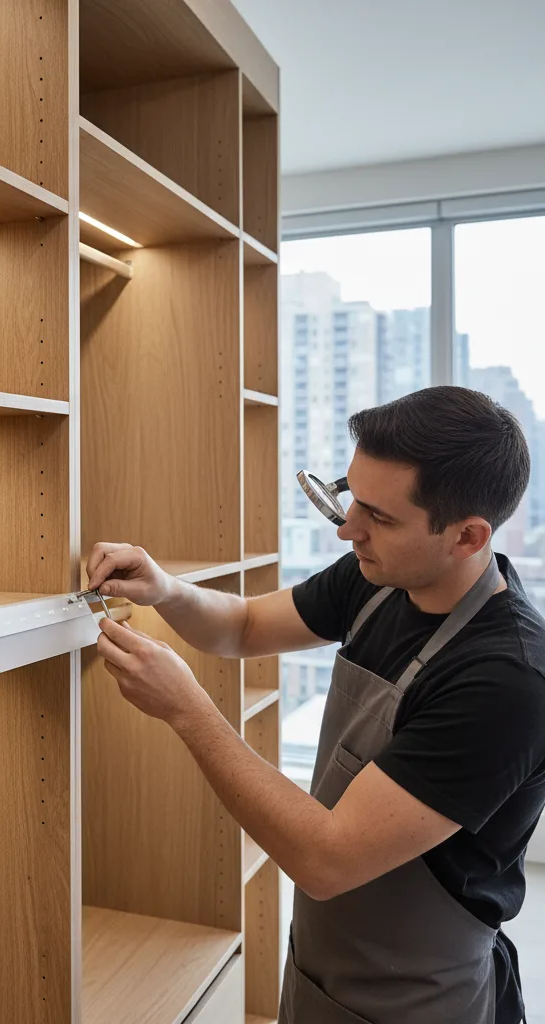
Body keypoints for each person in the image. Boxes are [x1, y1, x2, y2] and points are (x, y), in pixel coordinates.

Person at [86, 387, 545, 1024]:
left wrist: (188, 710)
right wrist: (166, 590)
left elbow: (327, 860)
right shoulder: (379, 577)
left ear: (468, 537)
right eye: (351, 495)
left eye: (379, 516)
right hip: (322, 970)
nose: (347, 528)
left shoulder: (506, 679)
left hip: (424, 998)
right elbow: (244, 626)